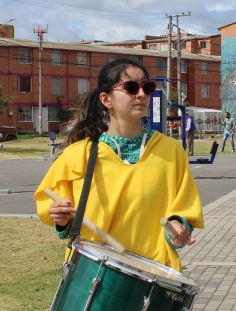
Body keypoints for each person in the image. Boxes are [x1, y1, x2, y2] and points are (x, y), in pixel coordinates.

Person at [34, 58, 203, 272]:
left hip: (154, 272)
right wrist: (60, 217)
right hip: (91, 271)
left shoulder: (171, 151)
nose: (141, 94)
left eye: (147, 87)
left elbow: (185, 208)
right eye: (131, 87)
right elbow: (61, 217)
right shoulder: (78, 155)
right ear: (106, 99)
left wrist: (178, 226)